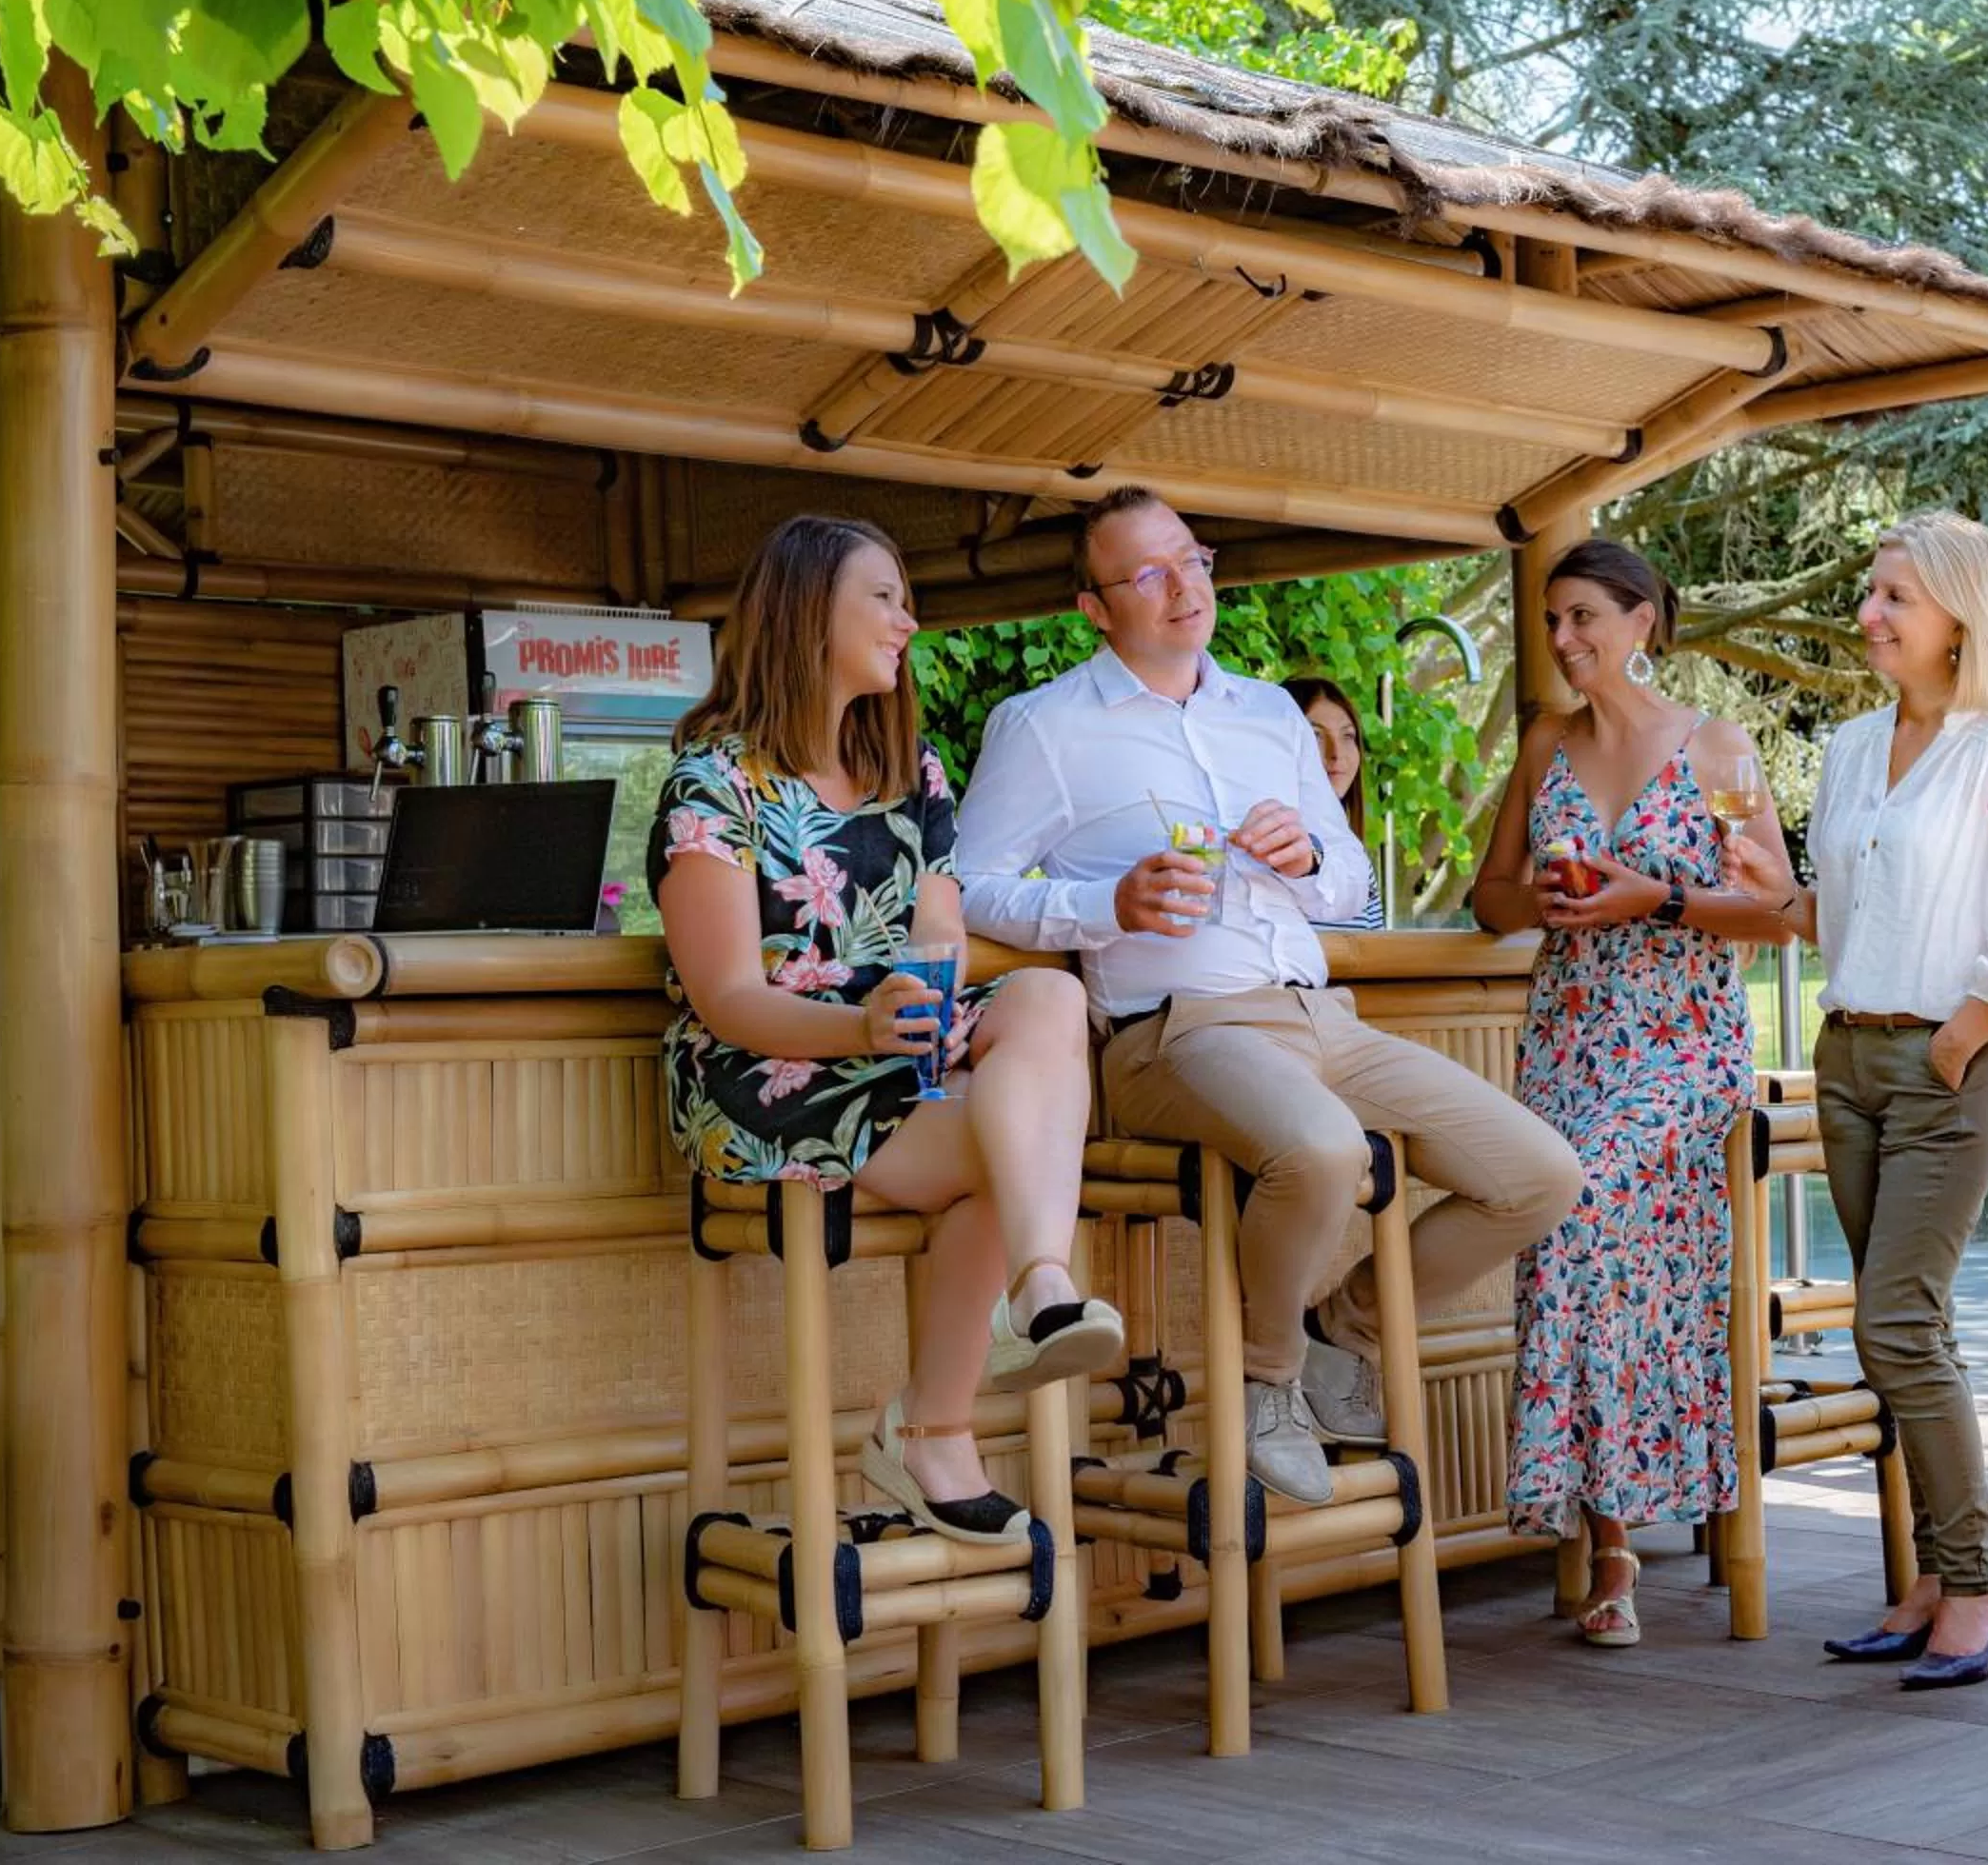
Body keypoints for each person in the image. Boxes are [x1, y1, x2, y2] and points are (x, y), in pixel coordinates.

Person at [956, 486, 1583, 1506]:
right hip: (1174, 1031)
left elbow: (1352, 883)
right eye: (1147, 574)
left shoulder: (1267, 715)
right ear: (1094, 607)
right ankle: (1267, 1381)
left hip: (1318, 1015)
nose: (1181, 587)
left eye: (1191, 560)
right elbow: (969, 884)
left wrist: (1305, 860)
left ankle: (1344, 1334)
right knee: (1325, 1148)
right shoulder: (1042, 726)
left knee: (1540, 1174)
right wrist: (1105, 902)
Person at [650, 514, 1124, 1546]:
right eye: (885, 596)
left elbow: (939, 927)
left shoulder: (915, 774)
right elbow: (727, 995)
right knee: (1017, 1141)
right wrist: (869, 1027)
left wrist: (932, 1009)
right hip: (768, 1077)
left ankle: (1042, 1283)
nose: (908, 620)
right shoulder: (714, 785)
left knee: (1042, 1002)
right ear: (808, 607)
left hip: (890, 1059)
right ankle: (934, 1429)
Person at [1721, 512, 1988, 1689]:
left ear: (1960, 616)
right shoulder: (1858, 745)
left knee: (1895, 1326)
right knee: (1907, 1335)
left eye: (1895, 598)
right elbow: (1850, 915)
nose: (1869, 614)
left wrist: (1958, 1042)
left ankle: (1977, 1588)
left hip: (1944, 1060)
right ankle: (1931, 1581)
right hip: (1848, 1053)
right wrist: (1783, 895)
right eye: (1870, 593)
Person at [1468, 540, 1779, 1649]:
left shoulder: (1718, 748)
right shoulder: (1546, 744)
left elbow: (1779, 907)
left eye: (1585, 616)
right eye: (1554, 619)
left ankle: (1632, 1525)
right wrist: (1544, 898)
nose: (1563, 640)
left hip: (1684, 1046)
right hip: (1568, 1043)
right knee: (1567, 1243)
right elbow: (1485, 895)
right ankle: (1608, 1543)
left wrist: (1657, 898)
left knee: (1583, 1212)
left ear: (1644, 620)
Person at [1282, 675, 1387, 929]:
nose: (1336, 754)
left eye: (1348, 736)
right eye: (1315, 735)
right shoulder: (1258, 850)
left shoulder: (1356, 863)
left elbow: (1381, 960)